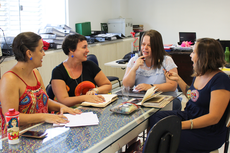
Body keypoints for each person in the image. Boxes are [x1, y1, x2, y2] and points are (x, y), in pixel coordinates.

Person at [149, 38, 230, 152]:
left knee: (171, 138)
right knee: (155, 118)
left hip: (208, 131)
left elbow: (214, 118)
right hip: (190, 115)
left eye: (193, 52)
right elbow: (193, 96)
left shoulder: (220, 79)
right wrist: (178, 79)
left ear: (203, 56)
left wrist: (181, 125)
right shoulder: (200, 74)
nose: (190, 55)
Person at [0, 32, 81, 135]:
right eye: (41, 50)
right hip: (18, 138)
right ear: (29, 53)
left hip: (39, 133)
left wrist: (61, 107)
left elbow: (45, 100)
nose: (44, 53)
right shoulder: (9, 79)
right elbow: (11, 117)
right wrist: (44, 116)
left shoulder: (35, 73)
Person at [122, 29, 181, 110]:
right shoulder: (134, 60)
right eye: (143, 44)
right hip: (142, 99)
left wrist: (150, 87)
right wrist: (134, 68)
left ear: (157, 47)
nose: (145, 48)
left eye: (149, 45)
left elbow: (172, 86)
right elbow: (126, 85)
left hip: (165, 98)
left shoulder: (167, 61)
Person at [50, 34, 112, 107]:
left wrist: (95, 90)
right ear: (71, 50)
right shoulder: (58, 72)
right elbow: (63, 100)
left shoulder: (89, 65)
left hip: (91, 108)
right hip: (69, 112)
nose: (87, 50)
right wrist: (85, 98)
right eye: (84, 47)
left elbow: (108, 85)